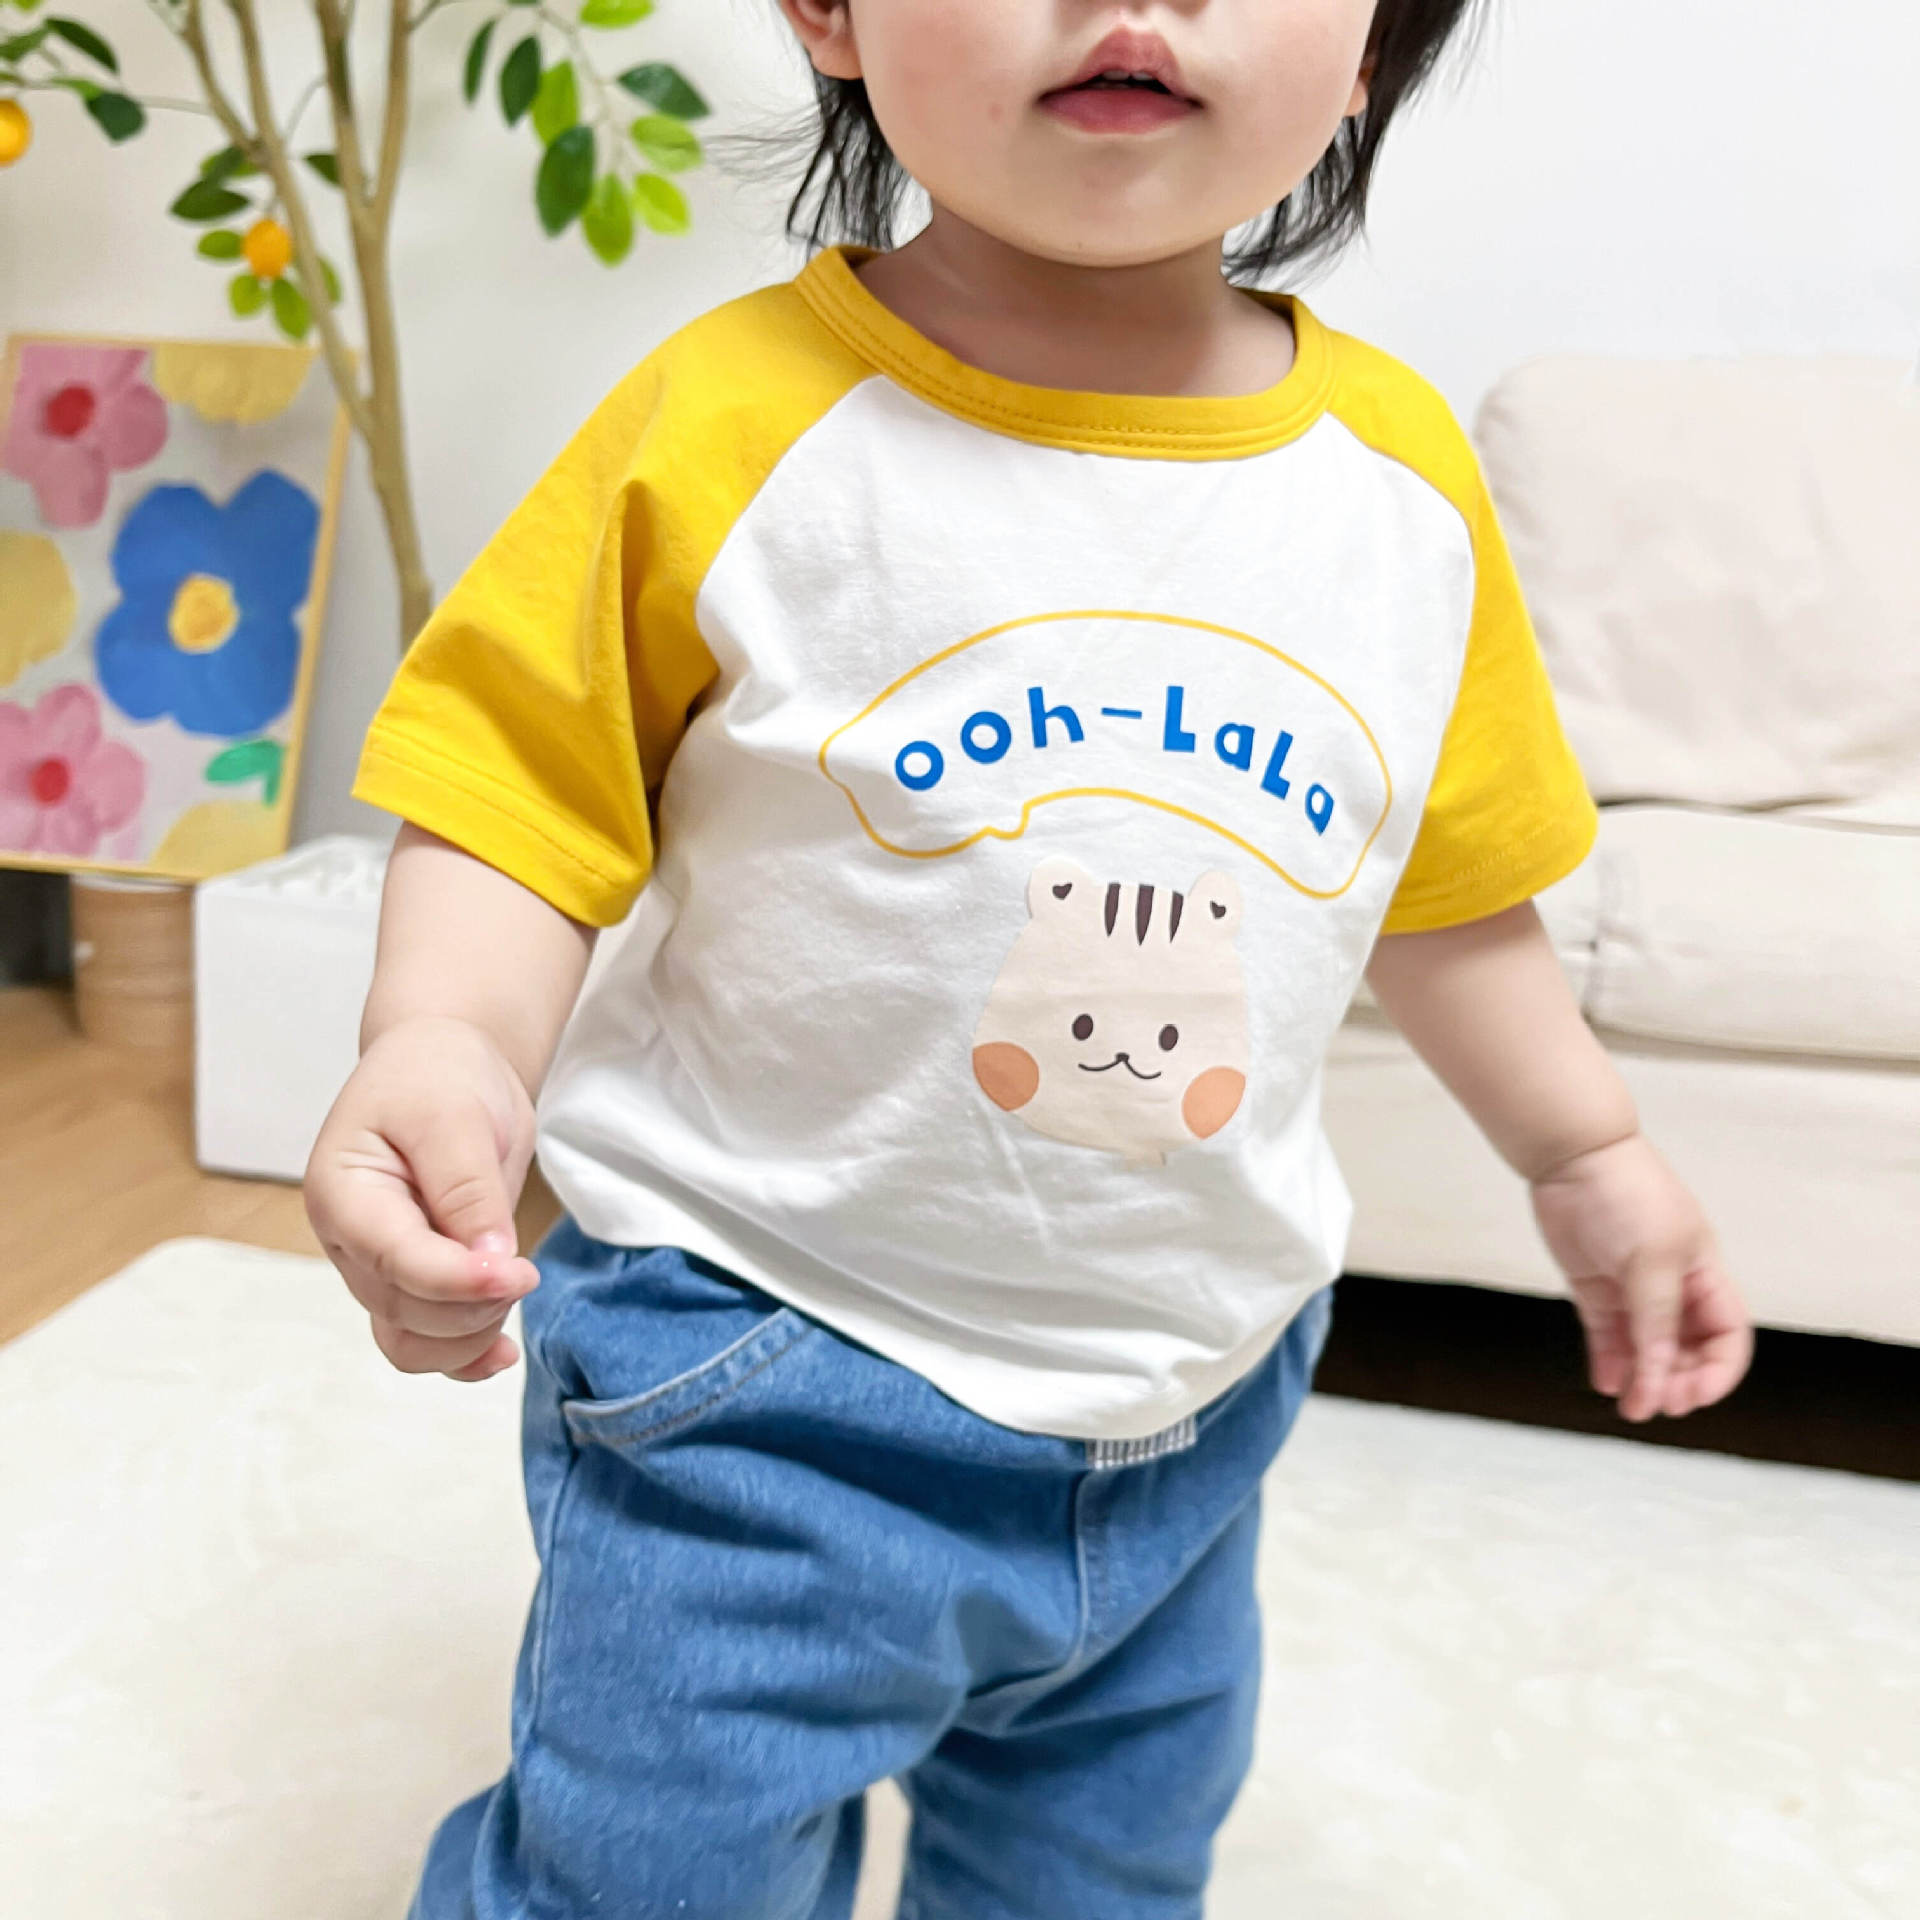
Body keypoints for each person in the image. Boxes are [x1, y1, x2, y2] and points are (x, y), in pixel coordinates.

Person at [305, 2, 1755, 1913]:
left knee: (1097, 1878)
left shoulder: (1397, 486)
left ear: (1368, 50)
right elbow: (513, 791)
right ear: (830, 11)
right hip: (763, 1376)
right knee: (642, 1883)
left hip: (1194, 1389)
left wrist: (1588, 1149)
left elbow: (1442, 881)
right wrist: (444, 1042)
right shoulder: (731, 422)